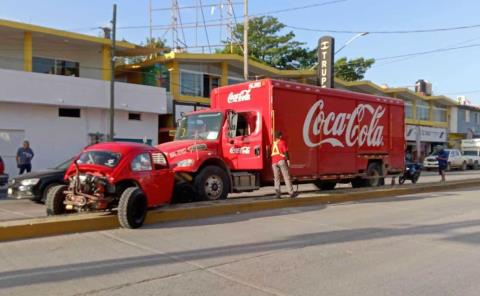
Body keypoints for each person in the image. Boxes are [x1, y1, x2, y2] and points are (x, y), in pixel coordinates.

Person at [271, 131, 298, 198]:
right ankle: (291, 193)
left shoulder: (273, 144)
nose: (282, 136)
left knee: (276, 179)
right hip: (281, 161)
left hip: (274, 162)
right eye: (281, 135)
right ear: (279, 136)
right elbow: (286, 152)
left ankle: (278, 194)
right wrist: (288, 160)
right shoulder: (282, 142)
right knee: (286, 177)